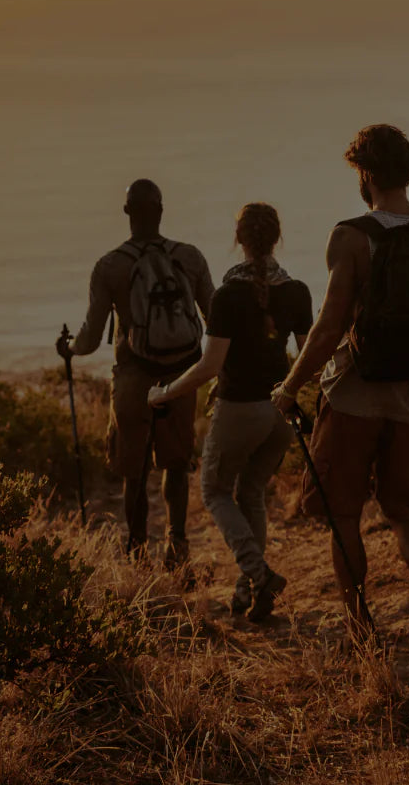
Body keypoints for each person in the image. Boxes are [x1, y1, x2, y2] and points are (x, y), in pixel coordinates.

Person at [269, 125, 409, 671]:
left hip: (356, 395)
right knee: (406, 512)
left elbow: (326, 330)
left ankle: (361, 629)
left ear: (364, 175)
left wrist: (290, 387)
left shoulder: (350, 237)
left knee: (344, 512)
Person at [148, 203, 313, 622]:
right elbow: (311, 356)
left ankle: (259, 574)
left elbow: (208, 369)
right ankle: (248, 590)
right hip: (280, 412)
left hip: (240, 408)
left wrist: (164, 392)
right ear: (277, 237)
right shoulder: (297, 291)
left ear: (238, 238)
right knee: (251, 492)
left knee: (215, 492)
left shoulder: (227, 296)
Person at [58, 179, 215, 565]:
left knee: (134, 471)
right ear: (161, 211)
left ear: (127, 213)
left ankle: (138, 550)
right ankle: (177, 547)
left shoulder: (110, 266)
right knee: (175, 465)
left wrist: (69, 349)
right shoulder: (190, 257)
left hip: (132, 375)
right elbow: (215, 316)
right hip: (180, 375)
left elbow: (92, 338)